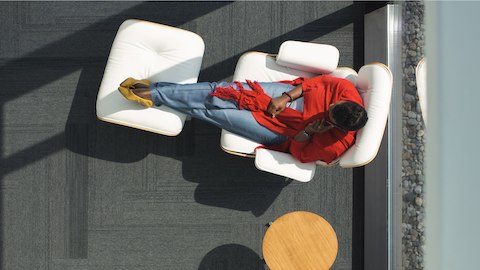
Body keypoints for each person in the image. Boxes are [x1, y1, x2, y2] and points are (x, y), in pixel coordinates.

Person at [118, 75, 368, 164]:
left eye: (332, 112)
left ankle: (157, 93)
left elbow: (299, 153)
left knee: (215, 113)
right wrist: (285, 96)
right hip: (292, 99)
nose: (331, 105)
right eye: (334, 104)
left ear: (335, 125)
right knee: (223, 92)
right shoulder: (348, 93)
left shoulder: (334, 145)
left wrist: (309, 132)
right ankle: (156, 93)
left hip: (283, 133)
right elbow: (319, 82)